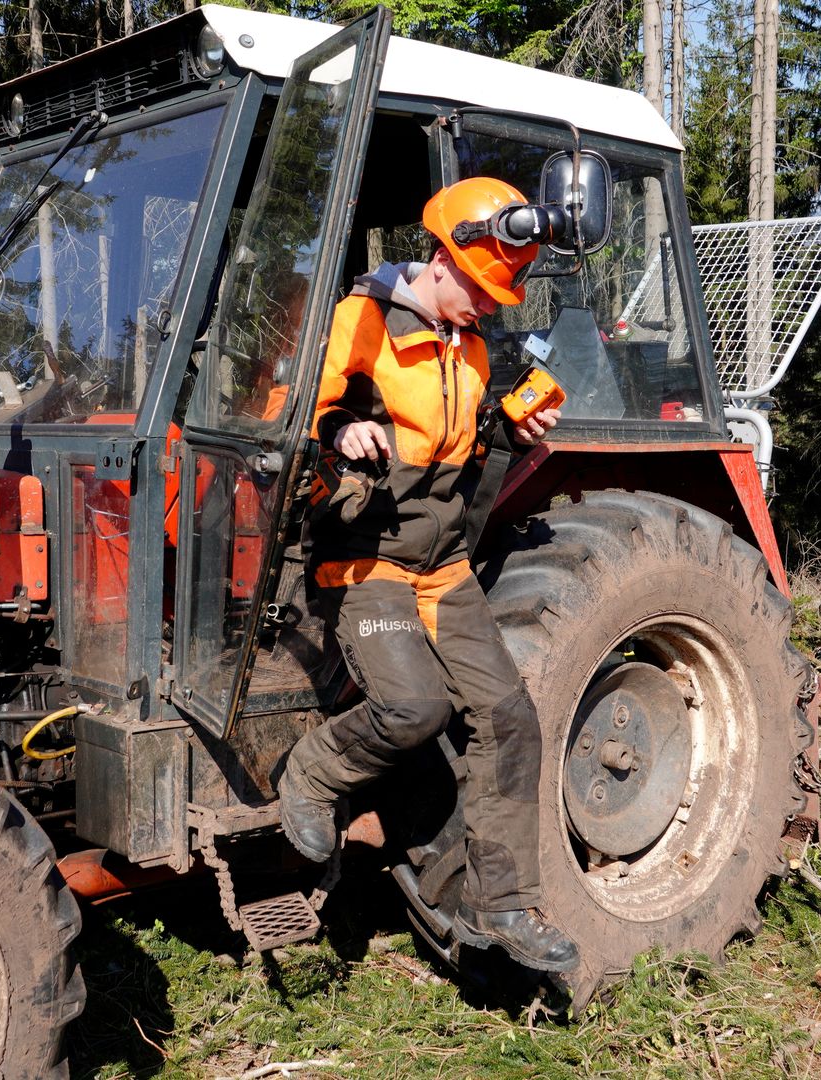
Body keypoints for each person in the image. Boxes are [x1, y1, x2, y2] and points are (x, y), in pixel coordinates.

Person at [276, 177, 577, 974]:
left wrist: (509, 426)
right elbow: (297, 405)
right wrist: (341, 432)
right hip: (368, 557)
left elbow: (461, 445)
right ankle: (311, 773)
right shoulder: (363, 319)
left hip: (440, 568)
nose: (491, 305)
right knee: (414, 708)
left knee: (510, 716)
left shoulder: (469, 345)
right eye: (482, 289)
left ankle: (507, 903)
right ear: (444, 260)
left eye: (499, 294)